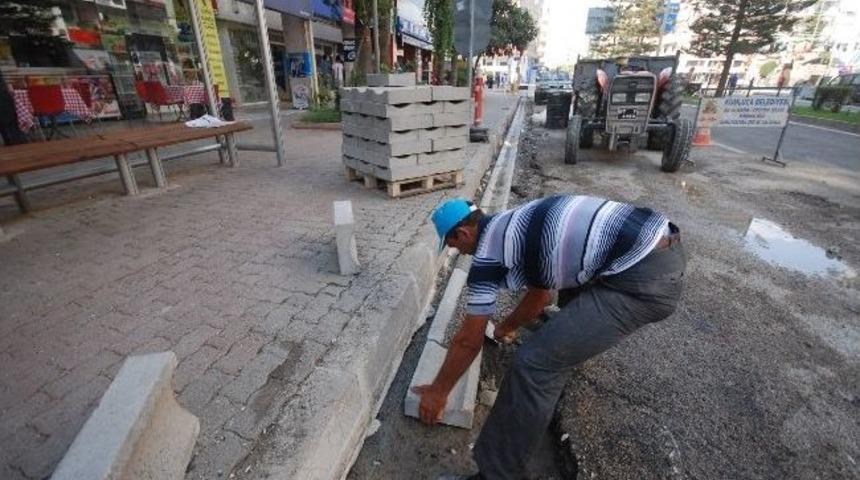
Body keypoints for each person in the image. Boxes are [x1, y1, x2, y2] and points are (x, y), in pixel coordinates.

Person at [415, 196, 687, 480]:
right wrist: (506, 326)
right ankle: (570, 344)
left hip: (642, 283)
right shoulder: (515, 222)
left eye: (454, 246)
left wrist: (438, 392)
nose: (459, 252)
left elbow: (467, 341)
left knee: (532, 365)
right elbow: (540, 294)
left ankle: (495, 475)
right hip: (663, 241)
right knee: (567, 294)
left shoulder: (487, 256)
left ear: (463, 233)